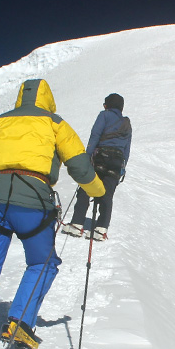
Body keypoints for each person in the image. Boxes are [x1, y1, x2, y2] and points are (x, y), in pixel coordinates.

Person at [0, 78, 105, 349]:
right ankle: (20, 321)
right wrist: (98, 190)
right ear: (48, 100)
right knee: (43, 262)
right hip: (32, 200)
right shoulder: (54, 123)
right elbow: (79, 165)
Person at [61, 93, 132, 242]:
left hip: (100, 158)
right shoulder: (126, 123)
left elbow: (95, 135)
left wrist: (87, 158)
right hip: (117, 162)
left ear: (108, 105)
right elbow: (127, 148)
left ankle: (77, 224)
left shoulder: (104, 116)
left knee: (86, 188)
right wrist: (122, 168)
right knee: (107, 193)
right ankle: (101, 229)